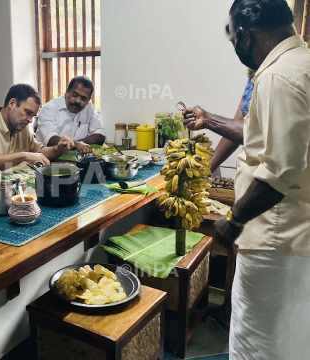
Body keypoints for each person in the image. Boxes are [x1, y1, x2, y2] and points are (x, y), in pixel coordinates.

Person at [183, 1, 310, 358]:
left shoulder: (278, 76)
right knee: (289, 338)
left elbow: (281, 170)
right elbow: (253, 129)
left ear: (246, 34)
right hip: (295, 236)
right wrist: (209, 163)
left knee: (257, 341)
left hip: (276, 235)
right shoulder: (296, 64)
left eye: (233, 36)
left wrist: (234, 220)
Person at [0, 84, 74, 185]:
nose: (30, 120)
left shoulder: (21, 128)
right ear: (12, 103)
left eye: (33, 116)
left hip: (12, 189)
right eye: (28, 112)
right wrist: (23, 156)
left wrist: (59, 148)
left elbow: (41, 152)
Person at [36, 76, 105, 154]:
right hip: (49, 158)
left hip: (76, 157)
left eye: (83, 98)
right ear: (67, 92)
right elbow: (50, 139)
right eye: (74, 95)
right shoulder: (49, 109)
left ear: (88, 100)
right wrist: (76, 144)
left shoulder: (88, 108)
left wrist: (80, 144)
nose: (78, 101)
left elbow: (100, 135)